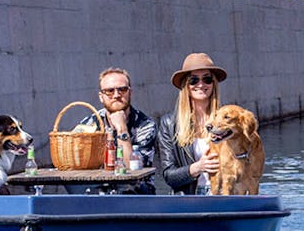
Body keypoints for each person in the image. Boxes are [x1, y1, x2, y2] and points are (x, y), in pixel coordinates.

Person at [80, 67, 156, 194]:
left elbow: (132, 170)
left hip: (137, 192)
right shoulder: (89, 124)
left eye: (122, 89)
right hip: (99, 189)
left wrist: (121, 128)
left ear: (130, 92)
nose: (116, 95)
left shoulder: (145, 125)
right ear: (101, 96)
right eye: (109, 91)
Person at [157, 52, 226, 194]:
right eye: (193, 80)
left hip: (224, 193)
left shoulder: (227, 121)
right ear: (185, 86)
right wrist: (198, 167)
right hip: (188, 199)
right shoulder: (169, 123)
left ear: (213, 84)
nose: (200, 85)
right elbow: (169, 175)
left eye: (207, 79)